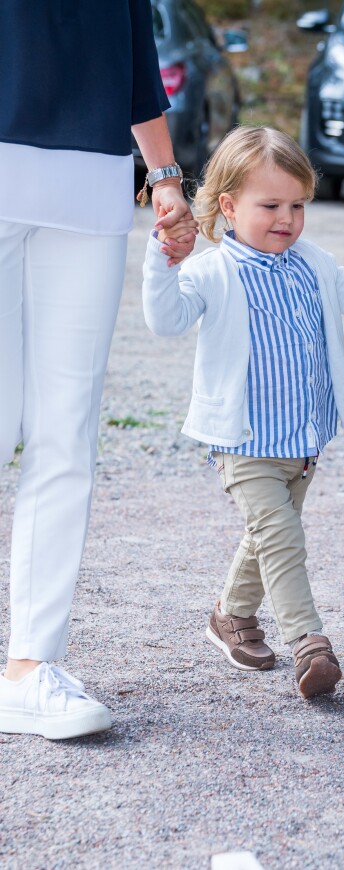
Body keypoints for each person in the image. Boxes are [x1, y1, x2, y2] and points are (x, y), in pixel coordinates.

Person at [142, 126, 344, 698]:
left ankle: (230, 616)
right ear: (229, 206)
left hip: (303, 440)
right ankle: (310, 643)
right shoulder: (214, 270)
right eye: (270, 205)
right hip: (245, 441)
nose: (287, 217)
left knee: (268, 537)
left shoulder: (310, 262)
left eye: (297, 205)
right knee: (282, 538)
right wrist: (163, 260)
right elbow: (165, 321)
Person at [0, 1, 196, 740]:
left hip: (90, 185)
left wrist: (166, 174)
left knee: (66, 435)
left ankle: (29, 668)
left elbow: (132, 44)